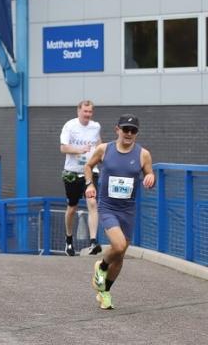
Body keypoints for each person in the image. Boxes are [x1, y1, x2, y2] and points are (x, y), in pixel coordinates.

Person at [85, 114, 154, 310]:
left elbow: (149, 172)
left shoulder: (143, 154)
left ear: (137, 133)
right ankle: (102, 266)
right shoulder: (104, 149)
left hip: (128, 210)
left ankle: (105, 291)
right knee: (118, 244)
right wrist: (90, 184)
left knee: (120, 254)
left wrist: (150, 178)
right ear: (117, 130)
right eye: (125, 130)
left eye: (133, 131)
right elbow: (88, 166)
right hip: (108, 207)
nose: (129, 134)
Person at [60, 100, 102, 256]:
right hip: (71, 172)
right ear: (78, 111)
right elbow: (63, 147)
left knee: (92, 202)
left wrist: (101, 155)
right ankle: (69, 240)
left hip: (90, 170)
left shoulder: (95, 126)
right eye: (85, 112)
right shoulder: (69, 126)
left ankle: (93, 242)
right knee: (72, 208)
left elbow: (98, 143)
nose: (87, 115)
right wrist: (79, 149)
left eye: (90, 112)